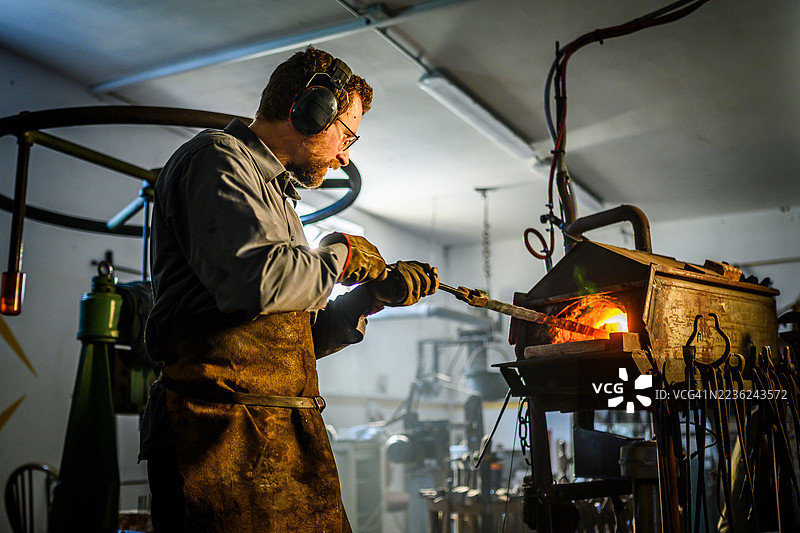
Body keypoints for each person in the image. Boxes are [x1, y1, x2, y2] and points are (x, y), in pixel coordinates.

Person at [138, 47, 439, 532]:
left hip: (279, 436)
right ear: (309, 110)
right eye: (347, 135)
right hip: (219, 437)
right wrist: (342, 253)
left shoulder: (276, 197)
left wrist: (369, 298)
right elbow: (256, 283)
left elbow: (288, 339)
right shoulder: (217, 159)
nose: (345, 156)